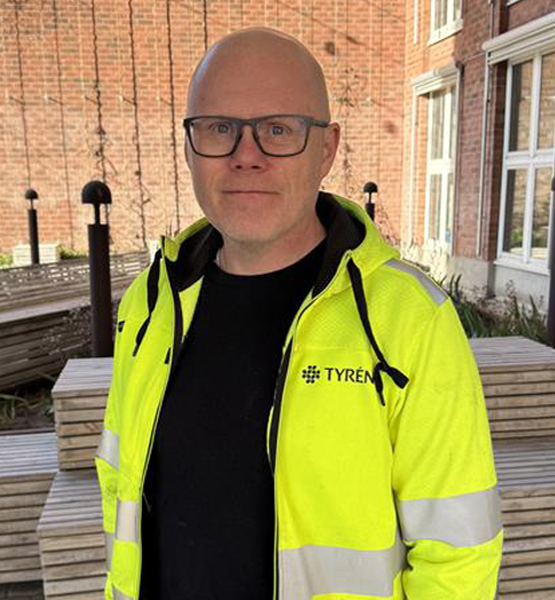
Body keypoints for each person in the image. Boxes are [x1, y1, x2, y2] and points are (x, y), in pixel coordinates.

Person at [96, 27, 502, 600]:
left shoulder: (408, 319)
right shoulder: (152, 301)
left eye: (278, 130)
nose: (246, 156)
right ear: (188, 147)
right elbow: (121, 491)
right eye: (219, 129)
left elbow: (458, 556)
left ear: (327, 149)